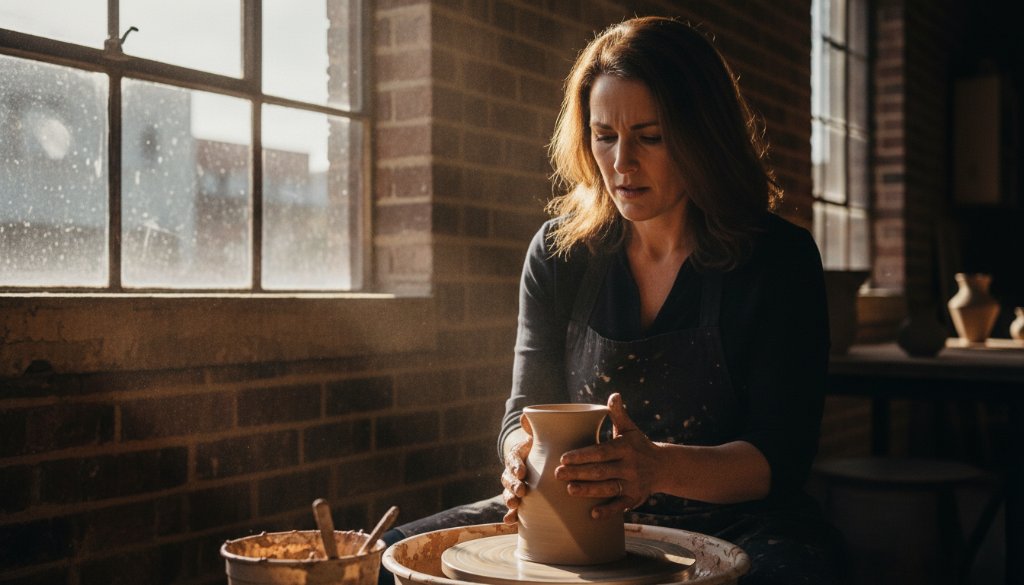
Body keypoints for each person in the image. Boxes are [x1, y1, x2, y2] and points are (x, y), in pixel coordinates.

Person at [380, 16, 844, 585]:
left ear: (704, 136)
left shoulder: (778, 260)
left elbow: (780, 460)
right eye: (605, 136)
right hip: (578, 518)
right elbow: (521, 411)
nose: (622, 162)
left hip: (740, 524)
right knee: (380, 558)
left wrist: (657, 467)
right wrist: (520, 458)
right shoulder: (559, 254)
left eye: (650, 137)